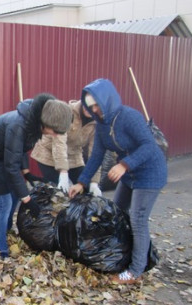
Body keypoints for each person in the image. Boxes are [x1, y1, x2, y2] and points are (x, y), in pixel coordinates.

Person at [68, 79, 167, 284]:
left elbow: (149, 146)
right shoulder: (102, 126)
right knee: (118, 213)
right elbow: (95, 157)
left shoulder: (129, 117)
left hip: (150, 173)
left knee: (138, 220)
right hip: (130, 175)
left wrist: (124, 164)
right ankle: (121, 254)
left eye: (97, 104)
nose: (95, 110)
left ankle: (135, 271)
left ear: (108, 100)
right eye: (90, 106)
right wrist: (81, 182)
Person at [0, 93, 73, 258]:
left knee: (14, 193)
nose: (55, 135)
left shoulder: (33, 121)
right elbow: (11, 166)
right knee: (3, 203)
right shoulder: (19, 125)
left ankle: (5, 228)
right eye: (55, 131)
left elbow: (18, 149)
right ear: (46, 123)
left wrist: (27, 173)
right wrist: (28, 200)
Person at [30, 99, 102, 196]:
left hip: (74, 155)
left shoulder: (98, 123)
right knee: (60, 193)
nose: (88, 108)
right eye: (86, 105)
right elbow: (59, 144)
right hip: (48, 154)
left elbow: (95, 153)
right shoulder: (67, 112)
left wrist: (94, 182)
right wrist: (63, 173)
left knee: (85, 188)